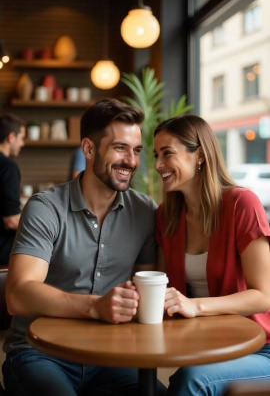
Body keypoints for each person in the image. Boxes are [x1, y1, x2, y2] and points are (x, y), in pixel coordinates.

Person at [2, 98, 166, 396]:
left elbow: (146, 289)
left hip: (110, 356)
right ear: (89, 149)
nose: (131, 161)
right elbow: (18, 295)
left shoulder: (144, 211)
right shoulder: (45, 208)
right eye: (120, 148)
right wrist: (95, 306)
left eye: (137, 150)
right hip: (38, 353)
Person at [153, 114, 270, 396]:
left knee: (192, 380)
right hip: (205, 345)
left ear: (201, 155)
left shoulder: (242, 203)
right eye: (156, 155)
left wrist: (197, 306)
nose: (157, 165)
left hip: (260, 347)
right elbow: (163, 290)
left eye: (167, 154)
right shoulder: (166, 216)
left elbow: (264, 295)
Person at [0, 113, 25, 266]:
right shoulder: (8, 166)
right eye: (21, 138)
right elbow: (11, 220)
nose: (23, 143)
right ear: (11, 137)